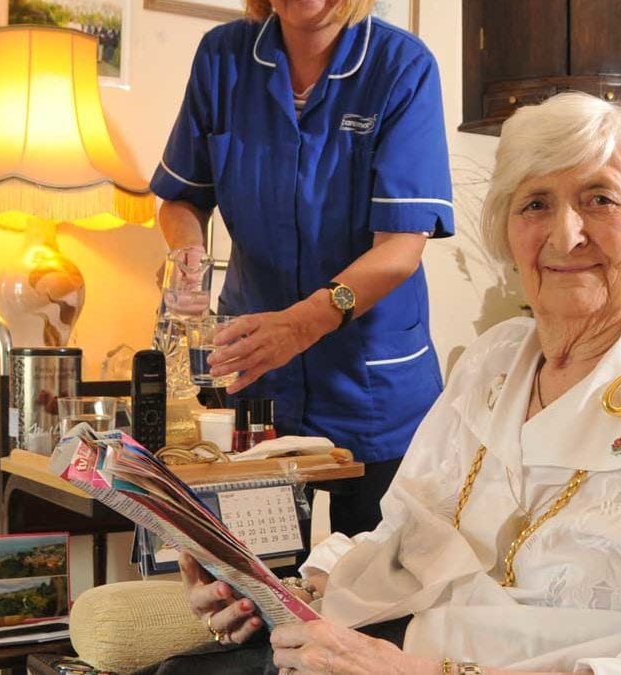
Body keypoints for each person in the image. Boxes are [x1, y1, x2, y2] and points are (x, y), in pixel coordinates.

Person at [178, 92, 621, 675]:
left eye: (600, 199)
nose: (565, 235)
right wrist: (284, 591)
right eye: (535, 205)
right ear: (509, 234)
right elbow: (404, 535)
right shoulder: (494, 359)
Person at [150, 0, 454, 537]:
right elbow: (181, 200)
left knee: (375, 599)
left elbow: (401, 248)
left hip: (372, 385)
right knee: (252, 592)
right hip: (256, 382)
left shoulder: (401, 66)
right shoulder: (222, 57)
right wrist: (186, 254)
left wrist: (298, 325)